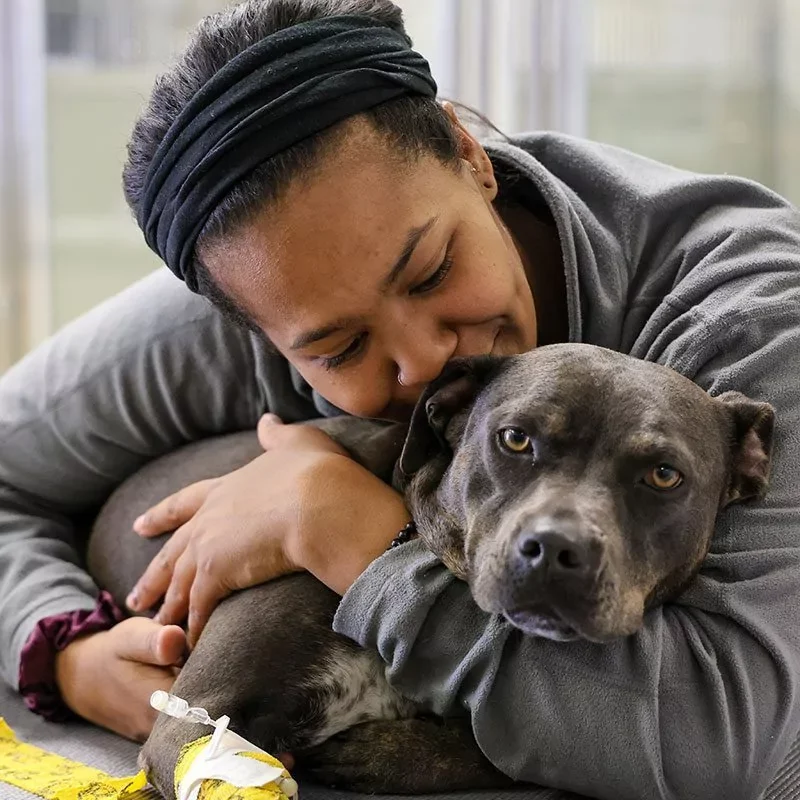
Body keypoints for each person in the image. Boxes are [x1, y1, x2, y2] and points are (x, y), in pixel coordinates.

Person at [1, 0, 799, 797]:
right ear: (257, 337)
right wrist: (59, 648)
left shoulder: (751, 322)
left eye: (432, 271)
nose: (424, 361)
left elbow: (727, 740)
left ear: (470, 154)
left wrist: (348, 533)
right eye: (340, 347)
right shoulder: (256, 294)